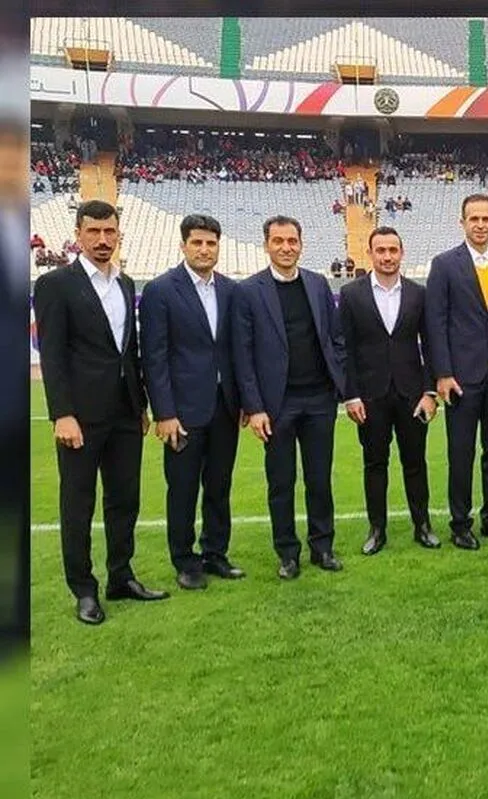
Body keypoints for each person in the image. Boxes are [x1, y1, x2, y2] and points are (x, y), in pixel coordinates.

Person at [33, 199, 167, 624]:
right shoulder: (56, 284)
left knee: (124, 499)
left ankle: (121, 576)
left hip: (125, 412)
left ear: (119, 235)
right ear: (78, 234)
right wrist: (62, 414)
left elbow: (129, 351)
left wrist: (141, 404)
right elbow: (52, 354)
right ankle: (84, 589)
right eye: (94, 231)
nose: (102, 239)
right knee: (78, 503)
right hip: (81, 416)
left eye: (110, 232)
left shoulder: (125, 283)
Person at [232, 216, 346, 579]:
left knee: (319, 479)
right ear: (266, 245)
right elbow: (243, 355)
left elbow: (335, 337)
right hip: (277, 405)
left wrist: (338, 386)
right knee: (281, 482)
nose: (286, 247)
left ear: (301, 244)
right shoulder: (248, 291)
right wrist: (254, 407)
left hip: (319, 400)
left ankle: (322, 547)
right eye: (278, 241)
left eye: (292, 241)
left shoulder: (317, 283)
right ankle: (287, 553)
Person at [139, 214, 243, 590]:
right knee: (182, 488)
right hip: (182, 411)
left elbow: (235, 350)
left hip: (224, 407)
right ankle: (185, 560)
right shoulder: (161, 290)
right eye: (197, 242)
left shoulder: (231, 290)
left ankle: (215, 552)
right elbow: (154, 356)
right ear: (183, 245)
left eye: (211, 243)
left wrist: (243, 400)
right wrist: (164, 412)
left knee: (219, 484)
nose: (204, 249)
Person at [425, 194, 488, 550]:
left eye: (486, 219)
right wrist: (443, 373)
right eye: (474, 219)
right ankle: (460, 524)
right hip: (461, 379)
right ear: (463, 222)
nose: (480, 225)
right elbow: (435, 323)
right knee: (461, 455)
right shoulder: (444, 265)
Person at [338, 226, 440, 555]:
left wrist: (430, 392)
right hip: (370, 397)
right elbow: (345, 348)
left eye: (393, 250)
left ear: (401, 253)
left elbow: (431, 346)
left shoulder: (418, 293)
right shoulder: (351, 294)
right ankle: (377, 530)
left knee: (415, 463)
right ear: (370, 254)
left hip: (412, 395)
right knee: (375, 464)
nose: (387, 256)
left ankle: (422, 526)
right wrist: (351, 395)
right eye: (380, 250)